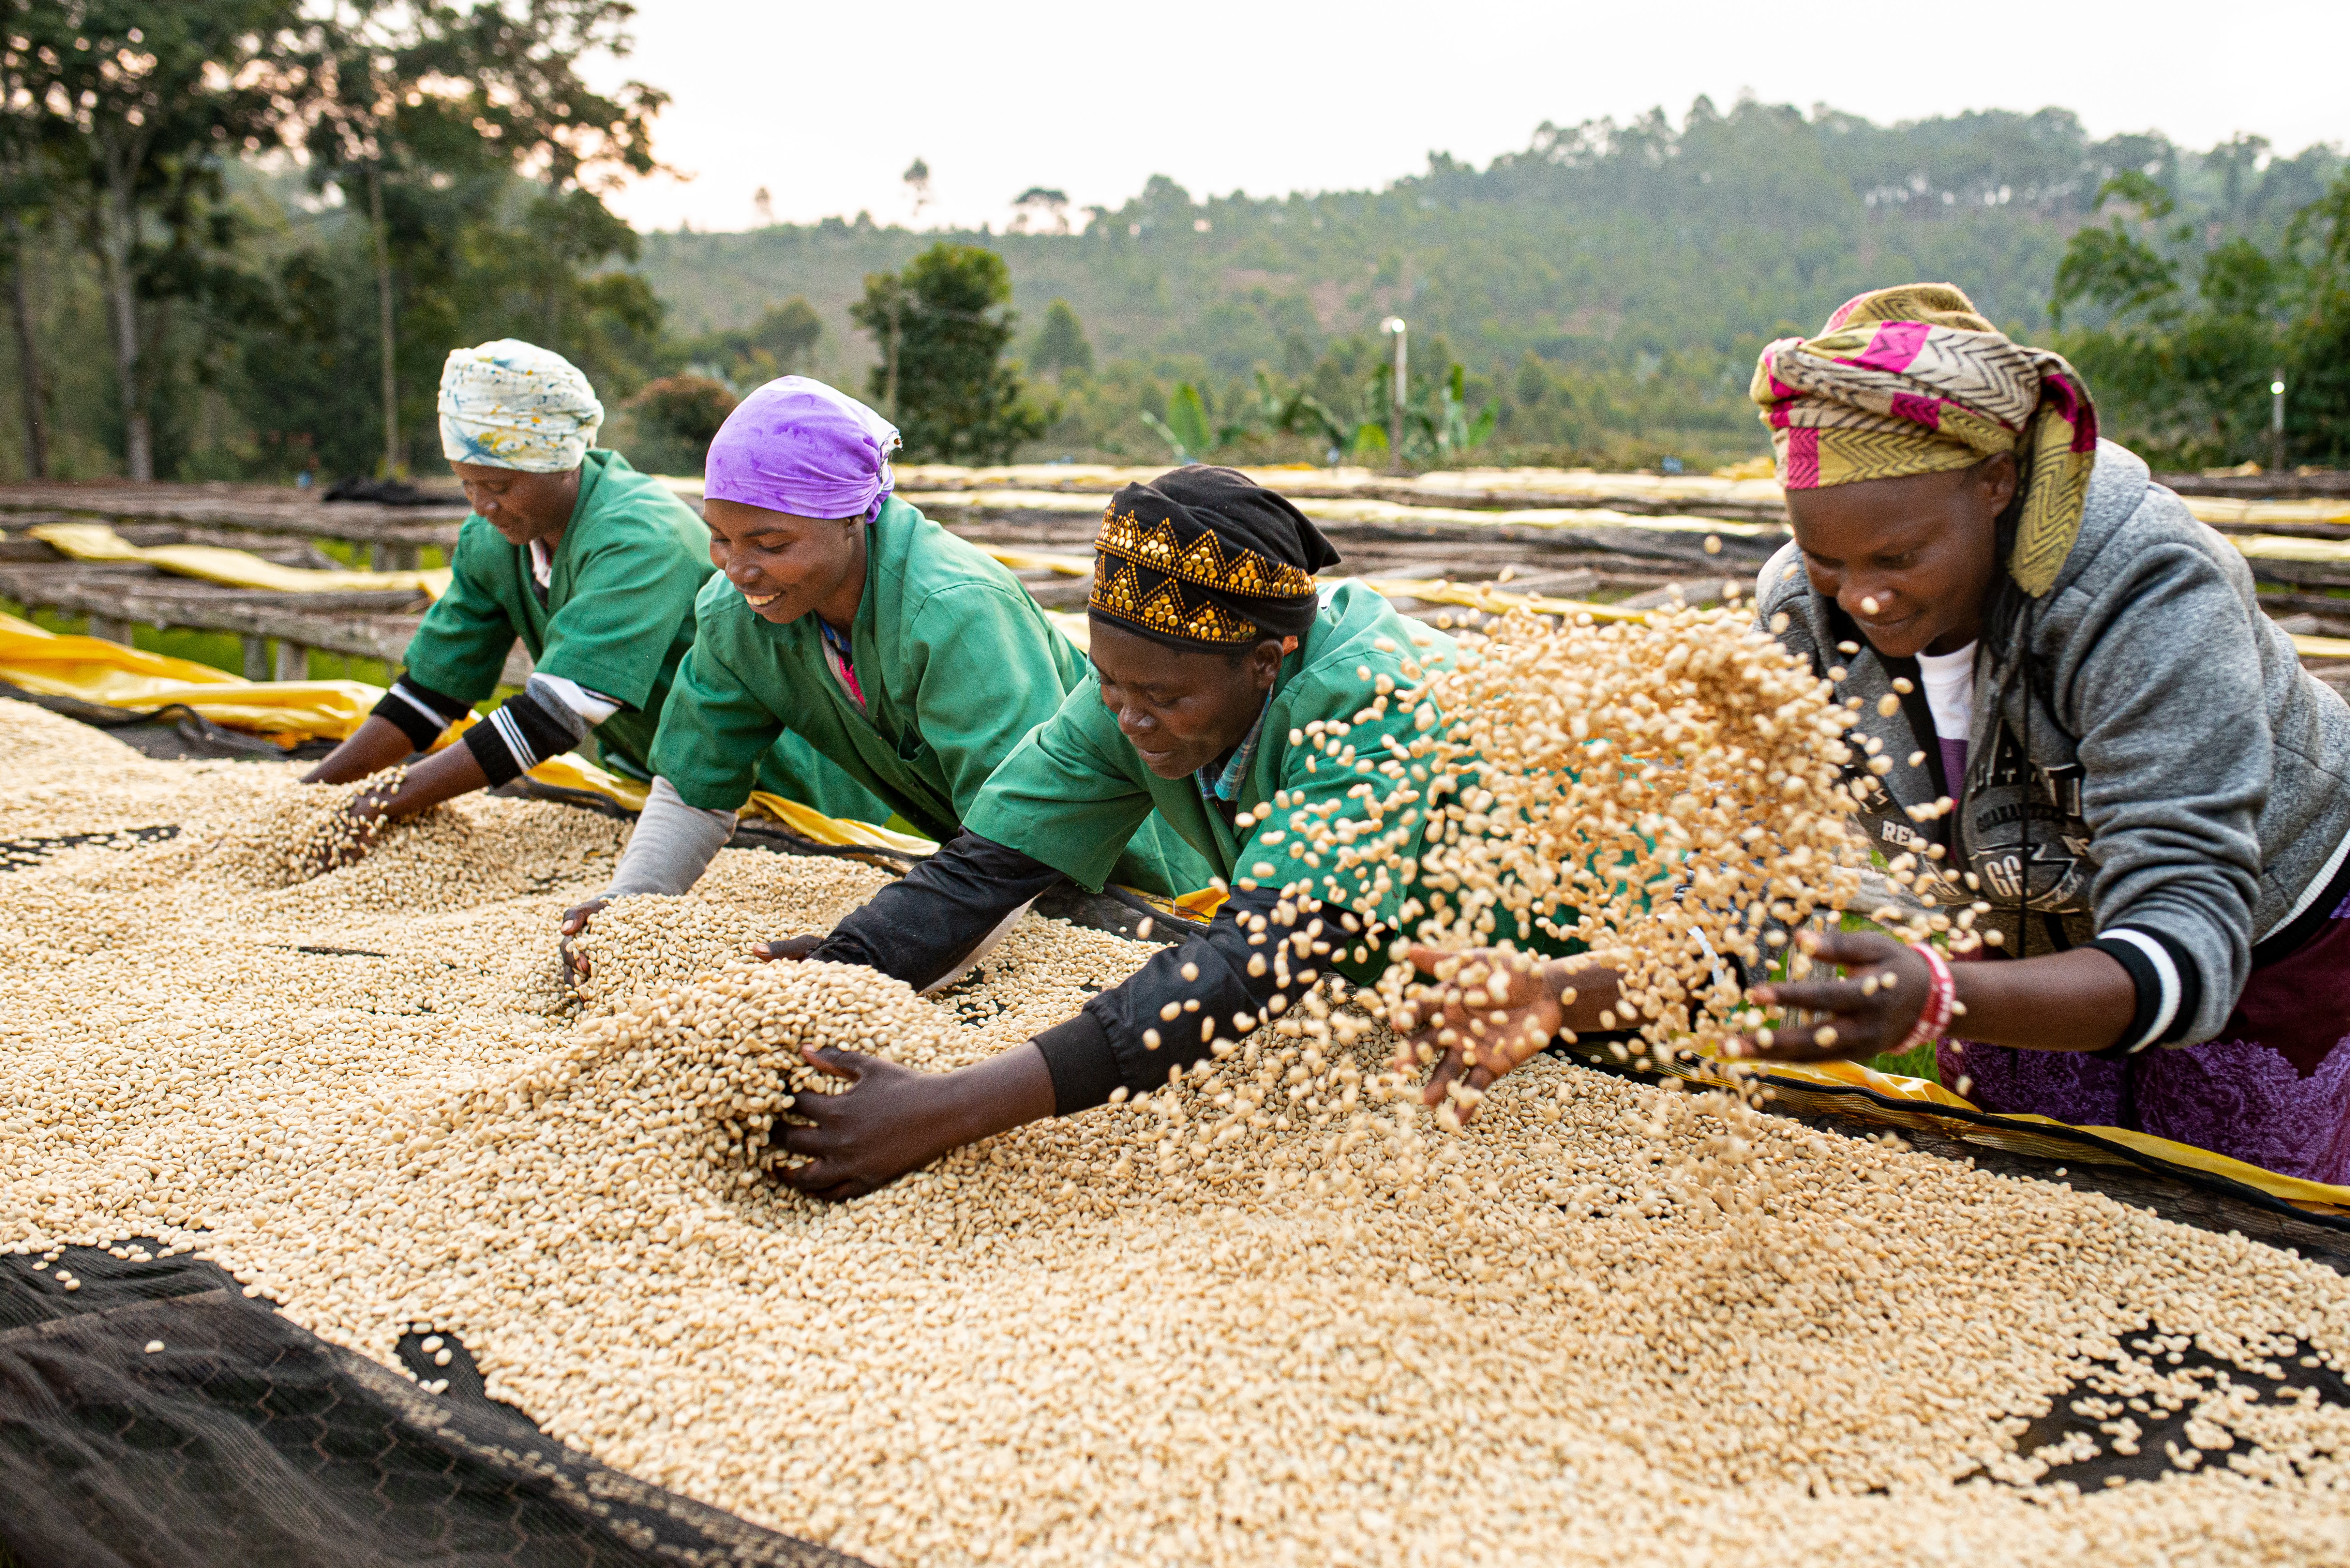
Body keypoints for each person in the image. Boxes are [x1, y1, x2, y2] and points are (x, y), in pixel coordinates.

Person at [1408, 283, 2350, 1184]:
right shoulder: (1798, 617)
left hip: (2266, 931)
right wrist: (1552, 992)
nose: (1861, 596)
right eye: (1826, 559)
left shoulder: (2138, 591)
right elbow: (1738, 915)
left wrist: (1940, 997)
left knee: (2239, 1217)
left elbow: (2189, 950)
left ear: (1995, 482)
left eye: (1898, 557)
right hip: (2009, 920)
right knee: (2033, 1209)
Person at [757, 464, 1626, 1200]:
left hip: (1590, 970)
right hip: (1427, 992)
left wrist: (951, 1107)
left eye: (1165, 699)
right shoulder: (1137, 695)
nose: (1130, 718)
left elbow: (1259, 960)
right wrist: (838, 968)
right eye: (1109, 683)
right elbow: (986, 868)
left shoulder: (1372, 703)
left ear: (1265, 663)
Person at [558, 377, 1212, 965]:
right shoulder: (739, 614)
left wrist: (877, 960)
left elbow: (1026, 834)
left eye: (772, 544)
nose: (739, 569)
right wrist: (633, 905)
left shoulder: (953, 611)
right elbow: (697, 786)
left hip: (1150, 880)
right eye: (722, 538)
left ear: (851, 518)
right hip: (986, 882)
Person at [304, 340, 881, 852]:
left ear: (561, 462)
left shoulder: (637, 537)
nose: (481, 505)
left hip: (779, 796)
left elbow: (552, 717)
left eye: (499, 486)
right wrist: (315, 793)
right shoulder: (494, 540)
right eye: (467, 484)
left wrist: (379, 803)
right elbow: (429, 693)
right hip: (649, 788)